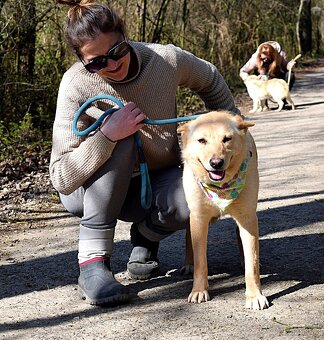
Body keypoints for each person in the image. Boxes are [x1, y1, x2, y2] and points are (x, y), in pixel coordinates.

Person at [50, 0, 240, 306]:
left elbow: (212, 79)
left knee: (204, 197)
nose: (111, 66)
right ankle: (92, 265)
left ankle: (147, 236)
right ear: (83, 62)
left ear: (126, 38)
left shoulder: (164, 59)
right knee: (120, 134)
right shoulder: (75, 83)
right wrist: (107, 134)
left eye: (116, 52)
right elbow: (61, 178)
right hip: (90, 190)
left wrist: (232, 129)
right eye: (97, 63)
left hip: (154, 181)